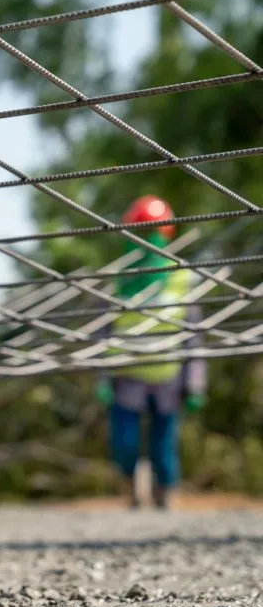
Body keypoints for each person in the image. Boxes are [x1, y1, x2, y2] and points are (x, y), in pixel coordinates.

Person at [96, 195, 206, 510]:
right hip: (126, 377)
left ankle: (164, 493)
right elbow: (103, 334)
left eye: (154, 235)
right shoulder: (116, 279)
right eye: (141, 234)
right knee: (125, 443)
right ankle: (131, 487)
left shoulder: (181, 278)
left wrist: (195, 382)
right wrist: (102, 377)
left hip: (167, 378)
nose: (148, 243)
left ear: (167, 236)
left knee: (163, 446)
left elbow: (193, 337)